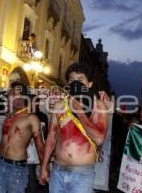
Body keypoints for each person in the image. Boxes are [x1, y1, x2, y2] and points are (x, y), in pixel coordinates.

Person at [40, 62, 108, 193]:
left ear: (89, 84)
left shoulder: (98, 106)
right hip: (57, 171)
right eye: (71, 80)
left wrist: (80, 112)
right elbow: (51, 137)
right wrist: (44, 166)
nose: (75, 83)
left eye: (80, 80)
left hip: (82, 175)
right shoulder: (60, 106)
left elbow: (99, 139)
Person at [0, 81, 44, 193]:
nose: (11, 96)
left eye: (15, 93)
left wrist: (44, 168)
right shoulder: (9, 115)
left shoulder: (31, 118)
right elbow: (5, 139)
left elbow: (40, 146)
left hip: (16, 168)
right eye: (10, 93)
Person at [26, 97, 48, 193]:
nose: (33, 104)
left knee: (38, 177)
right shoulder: (25, 115)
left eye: (35, 102)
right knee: (30, 177)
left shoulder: (42, 116)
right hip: (28, 153)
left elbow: (45, 134)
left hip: (39, 150)